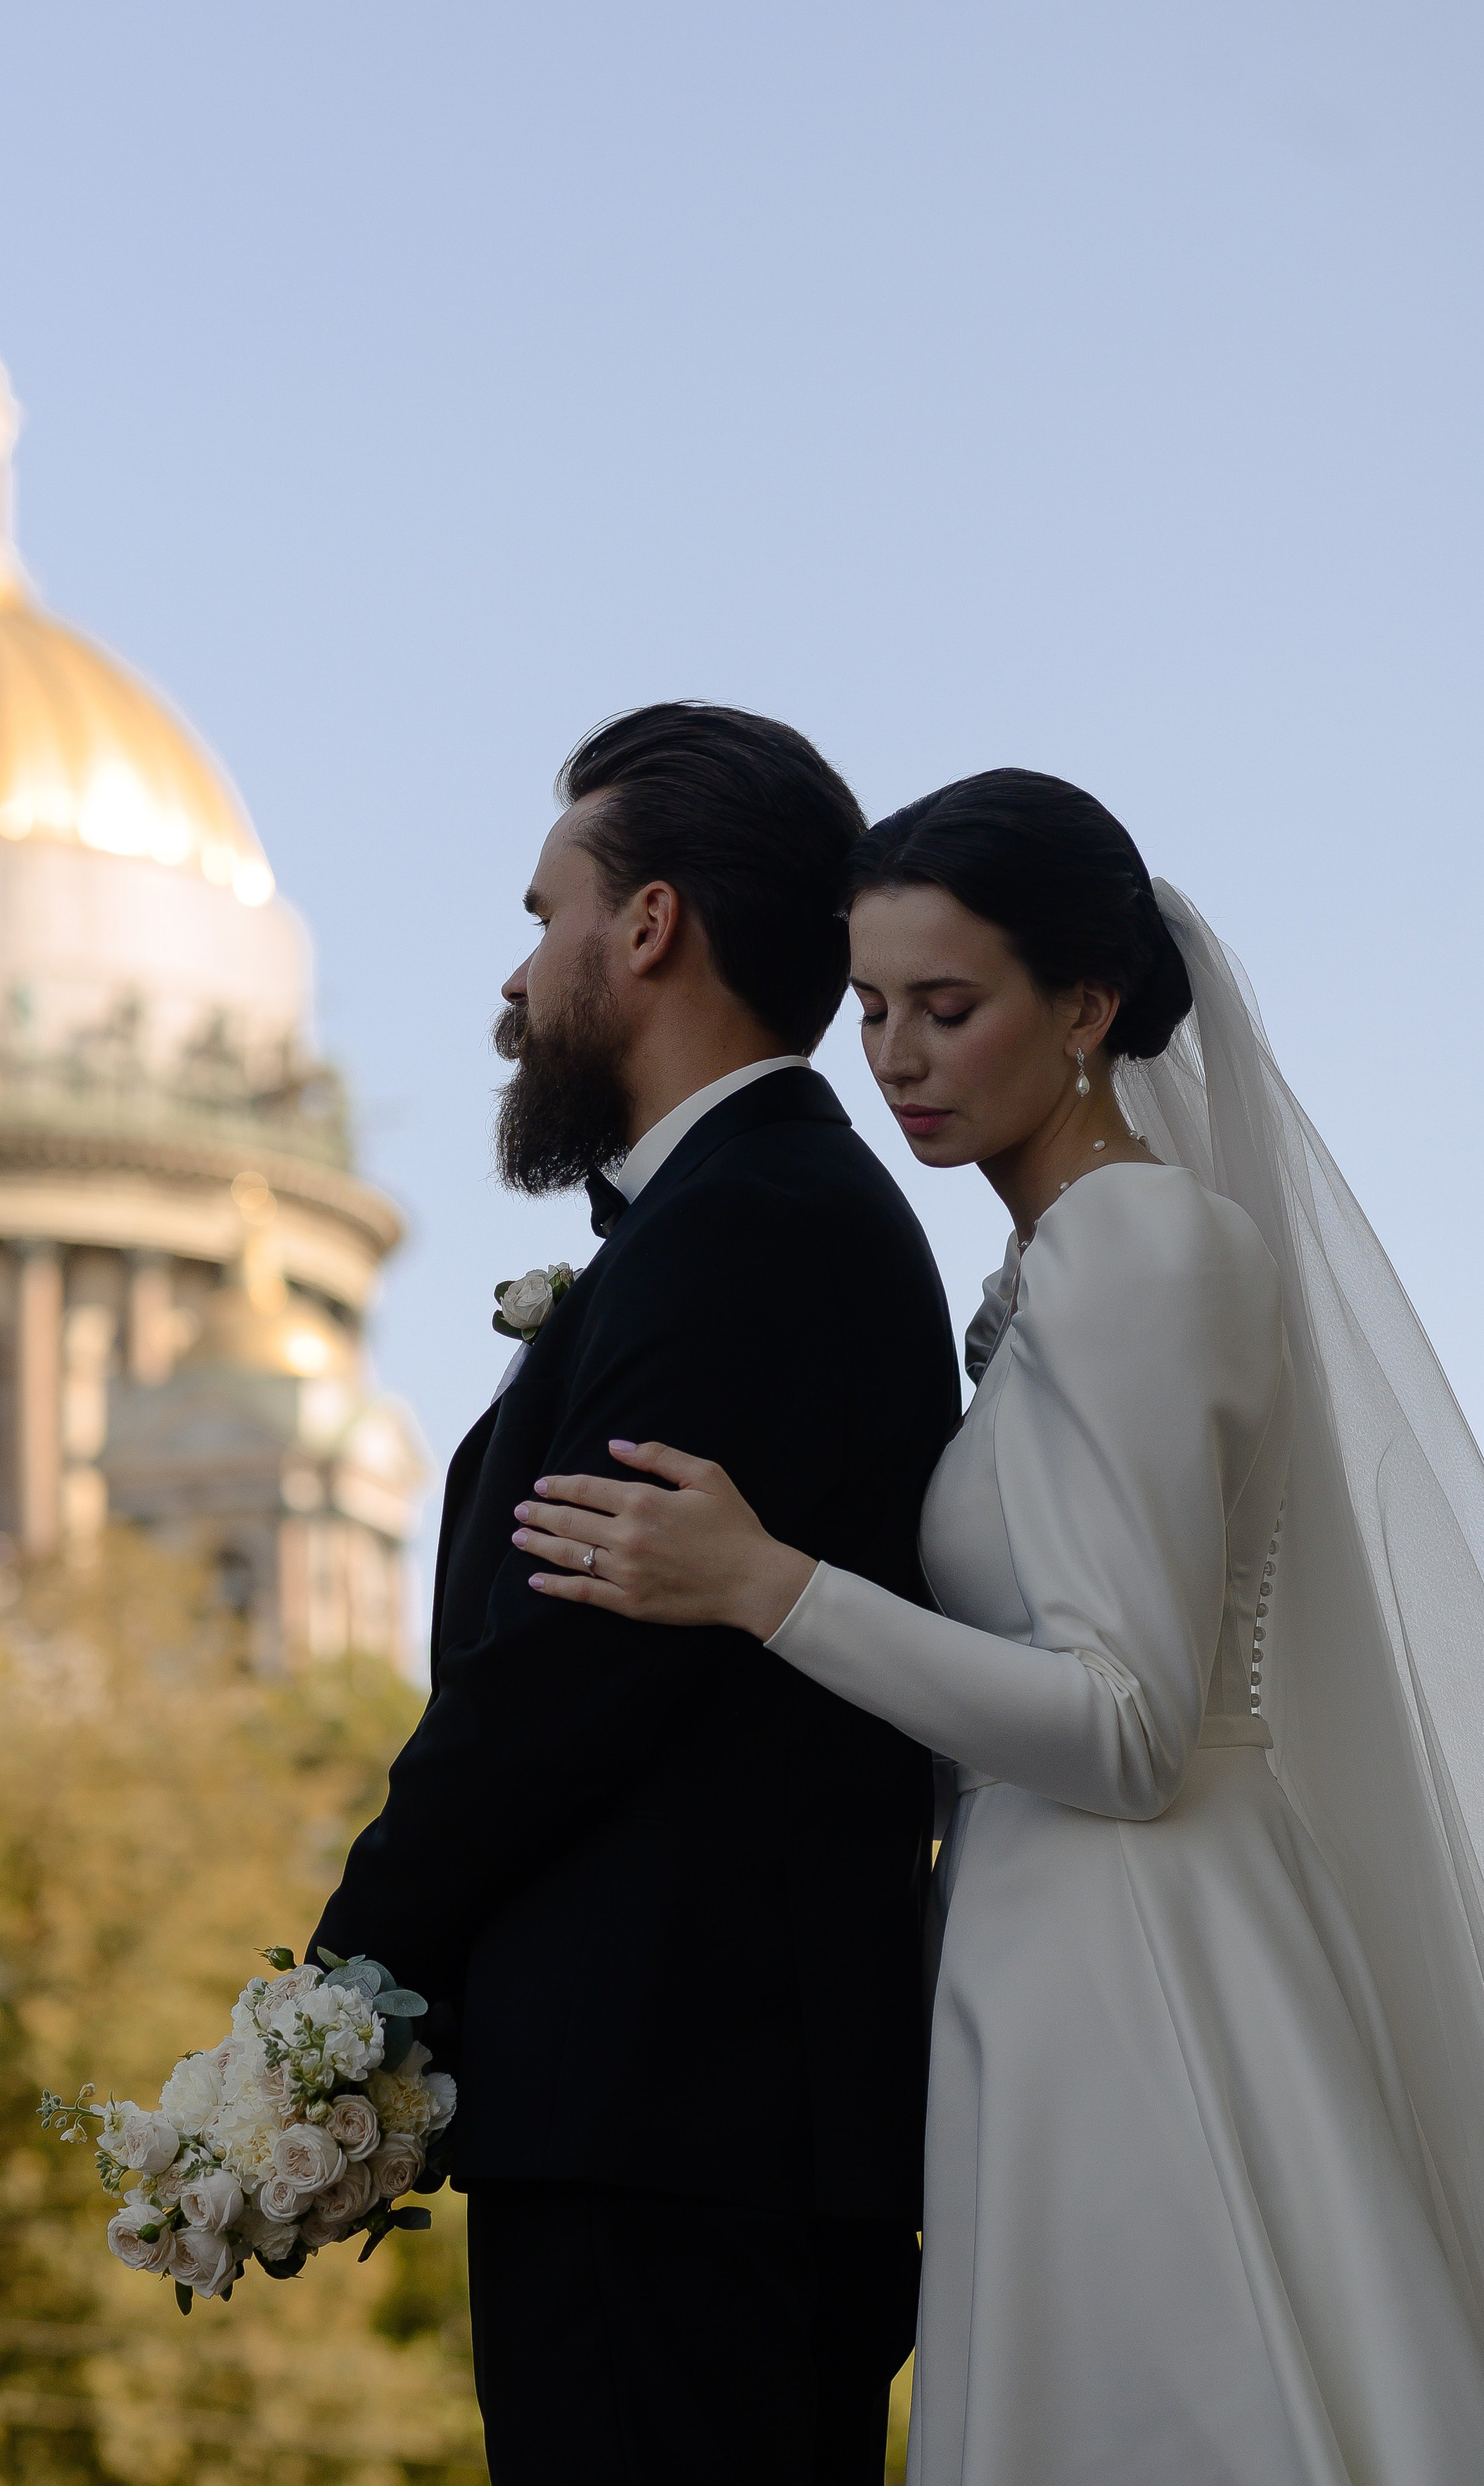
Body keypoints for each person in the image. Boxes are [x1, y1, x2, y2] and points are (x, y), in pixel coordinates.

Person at [516, 768, 1484, 2486]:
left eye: (947, 1008)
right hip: (1037, 1947)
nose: (894, 1057)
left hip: (1138, 1957)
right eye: (872, 1007)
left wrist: (764, 1584)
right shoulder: (1053, 1262)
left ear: (1085, 1006)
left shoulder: (1135, 1248)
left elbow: (1125, 1727)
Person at [312, 705, 960, 2486]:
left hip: (681, 2128)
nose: (516, 978)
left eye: (545, 916)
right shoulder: (736, 1214)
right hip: (670, 2125)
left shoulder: (755, 1225)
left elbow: (556, 1683)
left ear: (650, 925)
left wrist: (338, 1993)